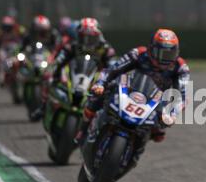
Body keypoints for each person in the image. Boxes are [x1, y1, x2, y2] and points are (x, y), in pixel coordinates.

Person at [74, 29, 190, 158]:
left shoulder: (181, 67)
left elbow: (183, 96)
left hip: (156, 100)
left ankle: (137, 149)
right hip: (130, 89)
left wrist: (172, 113)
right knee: (98, 95)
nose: (164, 58)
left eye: (169, 54)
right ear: (151, 49)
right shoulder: (139, 54)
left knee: (159, 132)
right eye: (160, 52)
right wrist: (101, 83)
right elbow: (112, 70)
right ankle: (83, 131)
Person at [0, 16, 26, 81]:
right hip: (4, 50)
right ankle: (2, 73)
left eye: (9, 27)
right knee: (0, 56)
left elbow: (24, 37)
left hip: (14, 50)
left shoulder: (17, 31)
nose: (7, 29)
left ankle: (20, 72)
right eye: (5, 27)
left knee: (22, 58)